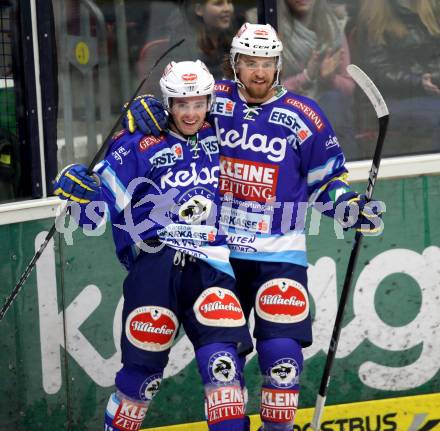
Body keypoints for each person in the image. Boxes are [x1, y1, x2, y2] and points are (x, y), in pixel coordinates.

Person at [124, 23, 384, 431]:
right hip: (218, 255)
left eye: (267, 63)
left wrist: (349, 206)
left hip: (278, 253)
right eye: (249, 62)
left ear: (278, 65)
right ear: (235, 63)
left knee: (282, 359)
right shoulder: (214, 101)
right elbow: (174, 117)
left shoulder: (306, 116)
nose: (258, 72)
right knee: (221, 363)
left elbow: (326, 182)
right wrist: (141, 112)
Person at [53, 60, 253, 431]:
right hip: (155, 266)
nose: (190, 113)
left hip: (212, 267)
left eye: (198, 103)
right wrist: (79, 191)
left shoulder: (226, 135)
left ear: (210, 101)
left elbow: (258, 101)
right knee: (140, 380)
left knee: (224, 371)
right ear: (168, 104)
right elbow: (93, 214)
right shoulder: (138, 144)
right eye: (180, 104)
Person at [354, 0, 440, 154]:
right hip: (394, 98)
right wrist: (418, 82)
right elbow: (378, 73)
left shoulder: (432, 11)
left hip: (431, 90)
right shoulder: (374, 18)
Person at [276, 0, 356, 157]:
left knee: (333, 101)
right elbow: (265, 90)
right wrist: (307, 76)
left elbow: (349, 86)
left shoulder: (333, 29)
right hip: (285, 112)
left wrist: (328, 78)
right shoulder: (269, 27)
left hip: (327, 115)